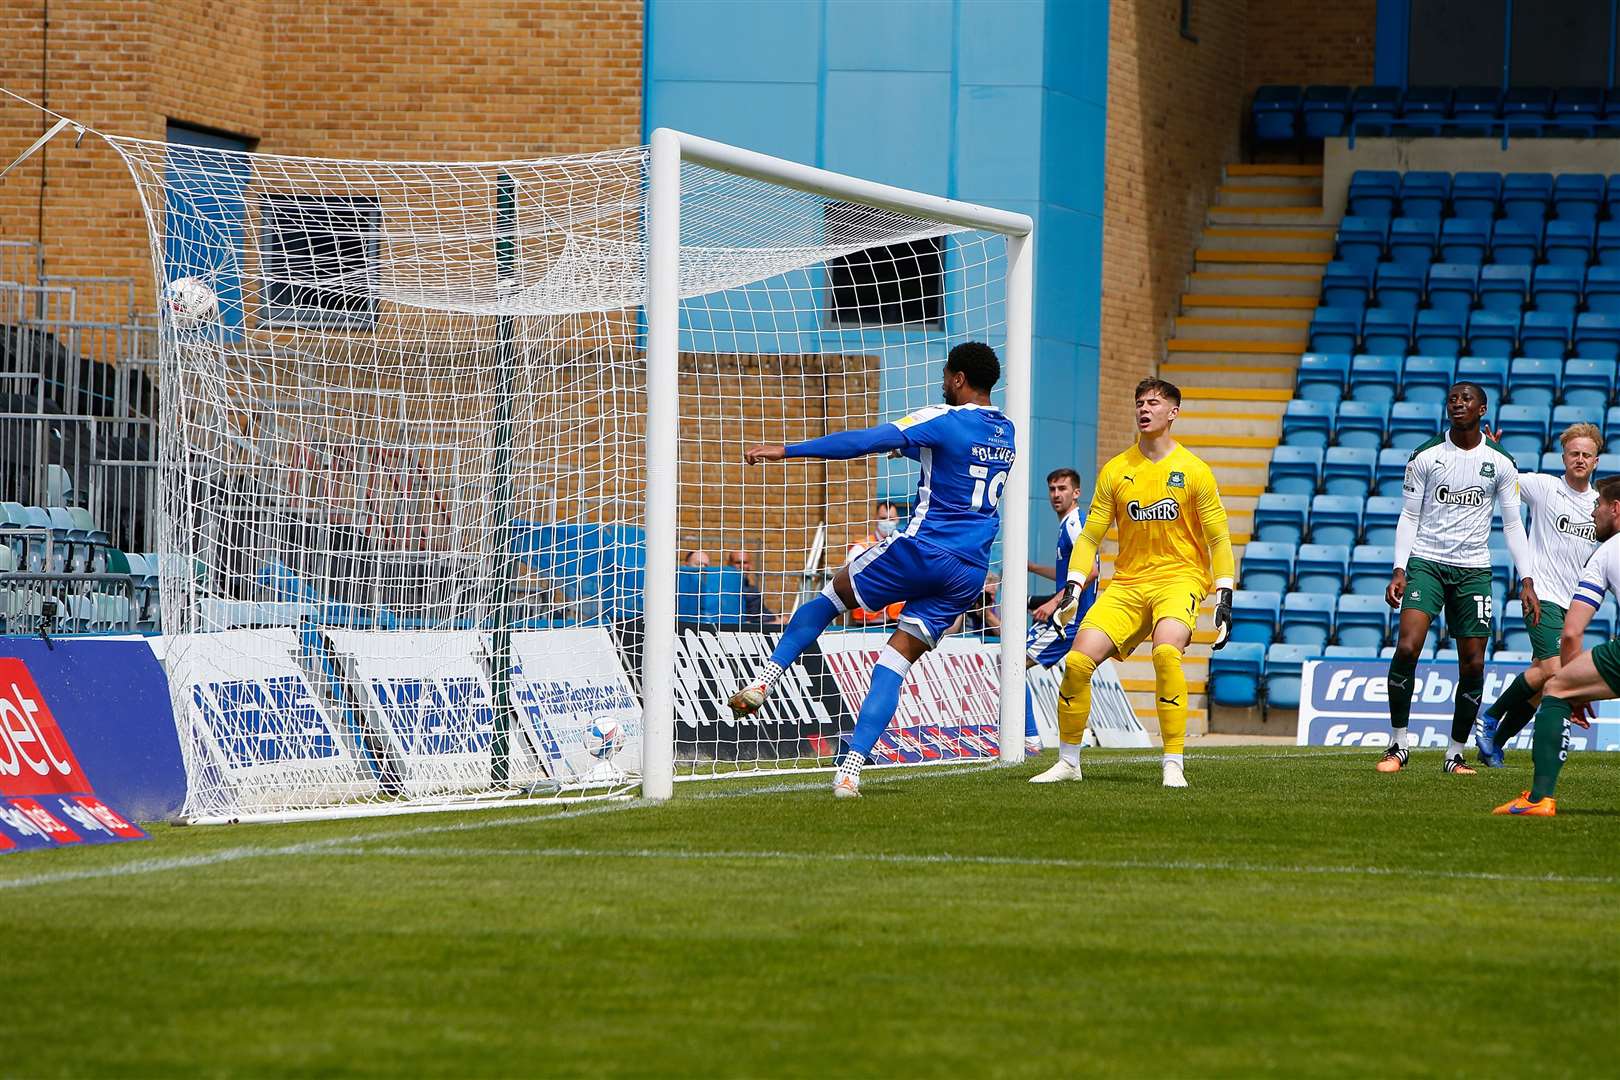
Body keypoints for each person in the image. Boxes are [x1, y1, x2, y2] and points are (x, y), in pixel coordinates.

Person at [727, 341, 1015, 798]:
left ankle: (766, 678)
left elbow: (864, 441)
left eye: (946, 375)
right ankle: (850, 770)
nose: (943, 382)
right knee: (895, 662)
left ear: (958, 379)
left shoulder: (942, 418)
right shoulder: (1007, 431)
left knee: (829, 598)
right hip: (969, 571)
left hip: (924, 550)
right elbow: (961, 465)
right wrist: (913, 454)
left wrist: (787, 450)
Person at [1029, 378, 1234, 789]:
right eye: (1139, 402)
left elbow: (1218, 538)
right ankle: (1069, 761)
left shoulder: (1194, 471)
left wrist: (1224, 592)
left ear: (1173, 413)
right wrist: (1072, 584)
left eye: (1154, 403)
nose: (1144, 408)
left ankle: (1172, 762)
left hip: (1180, 579)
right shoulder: (1116, 470)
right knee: (1078, 661)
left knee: (1165, 653)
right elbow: (1090, 537)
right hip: (1128, 584)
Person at [1377, 382, 1536, 776]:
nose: (1458, 403)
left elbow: (1514, 525)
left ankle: (1454, 754)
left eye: (1467, 399)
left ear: (1482, 408)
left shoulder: (1500, 462)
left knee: (1473, 664)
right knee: (1408, 646)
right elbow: (1409, 516)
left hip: (1473, 571)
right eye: (1452, 398)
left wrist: (1527, 578)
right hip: (1427, 563)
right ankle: (1398, 745)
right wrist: (1400, 568)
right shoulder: (1425, 456)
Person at [1492, 475, 1620, 817]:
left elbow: (1571, 634)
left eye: (1599, 506)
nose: (1593, 513)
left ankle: (1539, 799)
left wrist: (1574, 689)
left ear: (1616, 509)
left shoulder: (1606, 553)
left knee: (1556, 687)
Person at [1475, 423, 1601, 767]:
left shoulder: (1598, 504)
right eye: (1574, 453)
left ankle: (1494, 744)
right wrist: (1492, 452)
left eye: (1586, 455)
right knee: (1553, 669)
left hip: (1572, 605)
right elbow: (1506, 477)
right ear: (1563, 457)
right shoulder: (1545, 487)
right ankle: (1489, 718)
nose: (1579, 459)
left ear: (1596, 461)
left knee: (1542, 680)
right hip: (1541, 594)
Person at [1023, 467, 1097, 757]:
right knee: (1075, 677)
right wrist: (1031, 568)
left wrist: (1054, 603)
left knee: (1011, 664)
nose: (1056, 495)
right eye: (1052, 489)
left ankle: (1029, 739)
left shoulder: (1074, 524)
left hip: (1068, 618)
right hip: (1077, 617)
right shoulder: (1070, 523)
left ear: (1076, 493)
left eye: (1063, 489)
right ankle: (1075, 736)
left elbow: (1089, 570)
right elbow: (1068, 571)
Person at [844, 501, 905, 625]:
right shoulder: (862, 547)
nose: (887, 522)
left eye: (891, 518)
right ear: (875, 519)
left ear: (898, 519)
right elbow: (848, 577)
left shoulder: (903, 546)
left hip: (897, 621)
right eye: (883, 518)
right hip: (867, 621)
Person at [725, 548, 786, 626]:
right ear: (729, 564)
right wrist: (776, 623)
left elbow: (762, 612)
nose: (742, 566)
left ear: (750, 565)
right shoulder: (725, 590)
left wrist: (778, 618)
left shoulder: (752, 589)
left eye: (745, 562)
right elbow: (748, 623)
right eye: (737, 562)